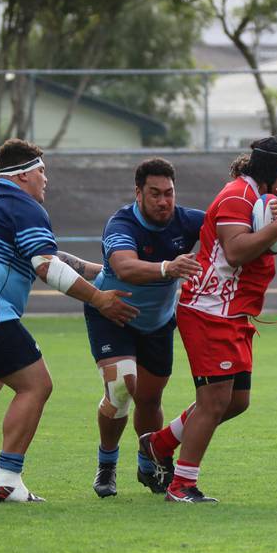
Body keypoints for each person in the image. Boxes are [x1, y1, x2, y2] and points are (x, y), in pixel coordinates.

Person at [0, 138, 137, 502]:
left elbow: (53, 257)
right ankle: (6, 478)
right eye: (42, 171)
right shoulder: (23, 205)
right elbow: (46, 267)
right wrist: (99, 299)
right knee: (36, 385)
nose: (46, 179)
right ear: (23, 175)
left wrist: (108, 274)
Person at [139, 138, 277, 503]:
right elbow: (236, 250)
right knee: (213, 402)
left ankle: (159, 443)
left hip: (232, 311)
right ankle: (181, 485)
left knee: (236, 401)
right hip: (210, 310)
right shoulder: (238, 196)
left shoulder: (260, 196)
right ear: (273, 169)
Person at [86, 158, 204, 498]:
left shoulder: (186, 220)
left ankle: (148, 463)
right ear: (138, 193)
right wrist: (168, 268)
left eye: (169, 193)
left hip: (157, 323)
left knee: (150, 399)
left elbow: (231, 225)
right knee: (122, 386)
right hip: (113, 316)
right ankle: (107, 463)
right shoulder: (121, 223)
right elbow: (125, 267)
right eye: (155, 193)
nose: (164, 201)